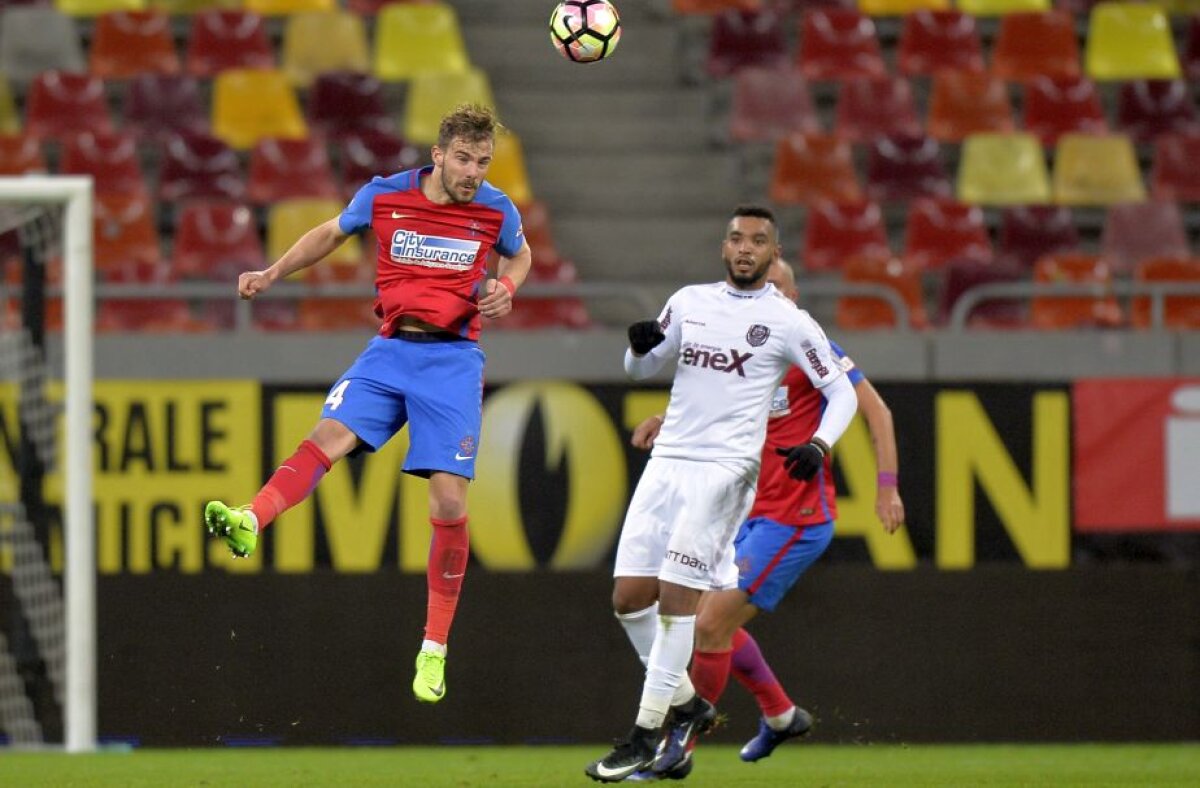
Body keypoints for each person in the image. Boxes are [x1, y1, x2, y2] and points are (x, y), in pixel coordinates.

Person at [201, 104, 532, 706]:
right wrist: (273, 273)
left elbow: (521, 253)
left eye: (482, 162)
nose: (472, 173)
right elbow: (331, 232)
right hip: (390, 350)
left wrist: (506, 286)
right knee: (326, 436)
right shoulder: (386, 194)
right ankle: (251, 520)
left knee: (449, 499)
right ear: (438, 155)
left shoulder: (496, 208)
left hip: (453, 361)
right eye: (463, 159)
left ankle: (434, 647)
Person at [585, 206, 859, 783]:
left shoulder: (788, 321)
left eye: (758, 241)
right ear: (724, 247)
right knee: (629, 599)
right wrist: (637, 350)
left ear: (773, 253)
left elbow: (845, 394)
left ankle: (645, 735)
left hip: (725, 471)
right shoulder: (689, 302)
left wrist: (820, 443)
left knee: (678, 602)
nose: (745, 248)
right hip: (668, 464)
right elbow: (641, 368)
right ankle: (688, 703)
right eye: (737, 238)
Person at [629, 257, 905, 777]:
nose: (764, 293)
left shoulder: (814, 349)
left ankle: (678, 746)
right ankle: (780, 715)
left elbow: (877, 411)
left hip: (795, 518)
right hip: (746, 510)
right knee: (703, 619)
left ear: (793, 299)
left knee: (708, 624)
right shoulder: (745, 351)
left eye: (776, 286)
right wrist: (665, 419)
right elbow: (716, 407)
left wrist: (886, 486)